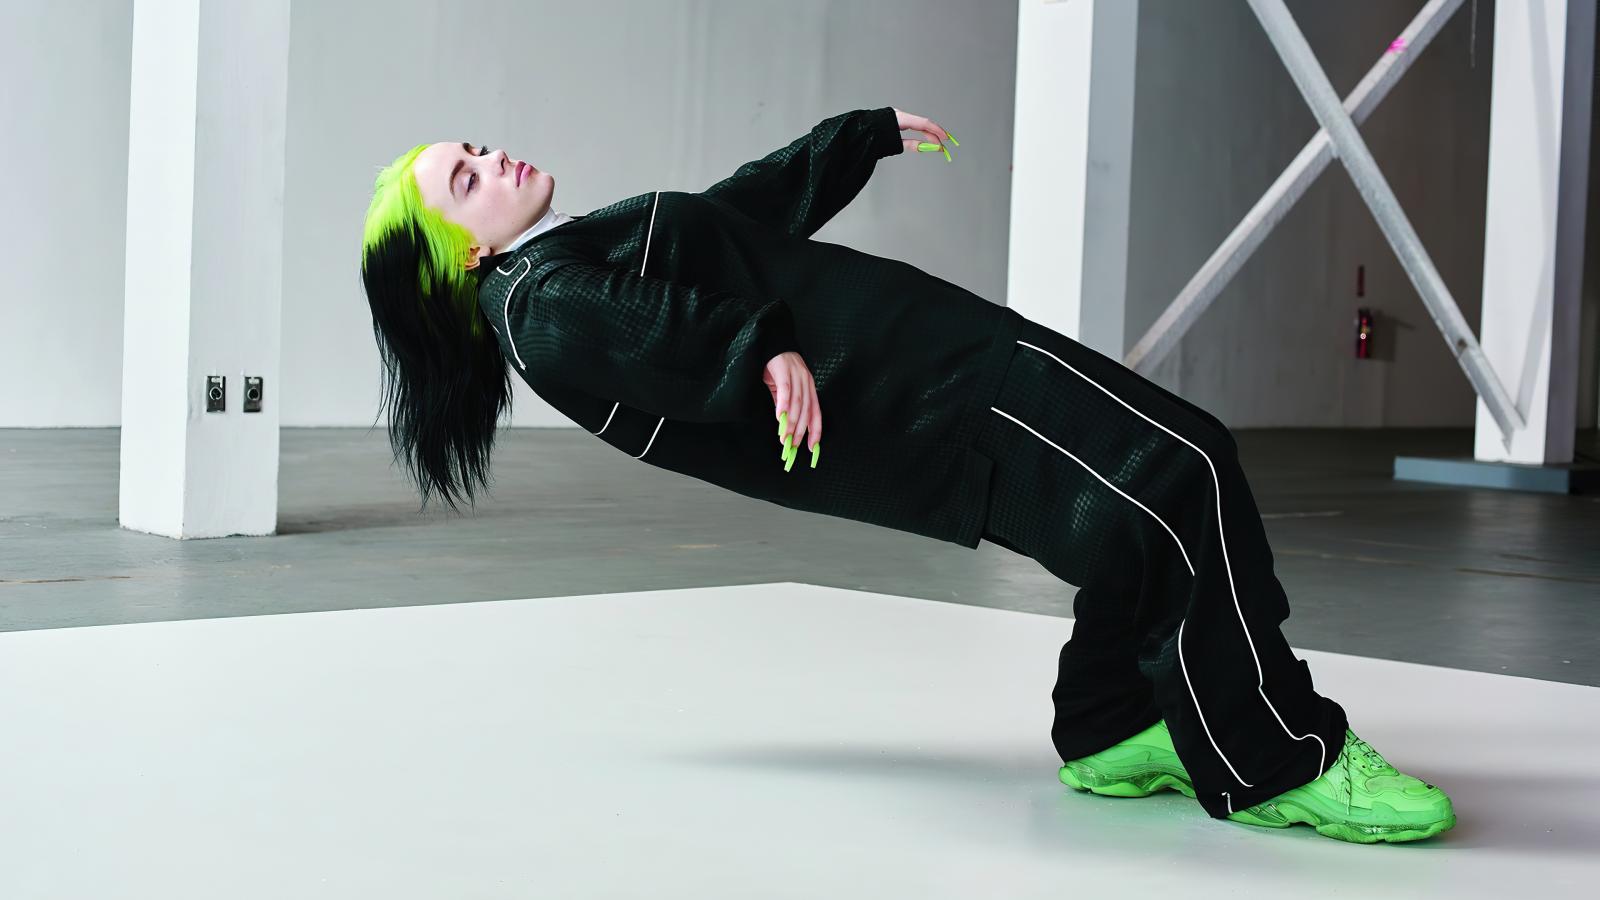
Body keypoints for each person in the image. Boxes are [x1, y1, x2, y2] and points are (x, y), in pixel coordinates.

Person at [359, 105, 1455, 844]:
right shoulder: (541, 305)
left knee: (1135, 511)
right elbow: (663, 339)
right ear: (458, 252)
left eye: (477, 147)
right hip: (927, 398)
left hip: (934, 362)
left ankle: (1116, 726)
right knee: (1183, 470)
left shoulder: (563, 255)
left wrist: (855, 141)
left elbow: (726, 230)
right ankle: (1276, 762)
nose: (493, 161)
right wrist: (761, 354)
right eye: (466, 178)